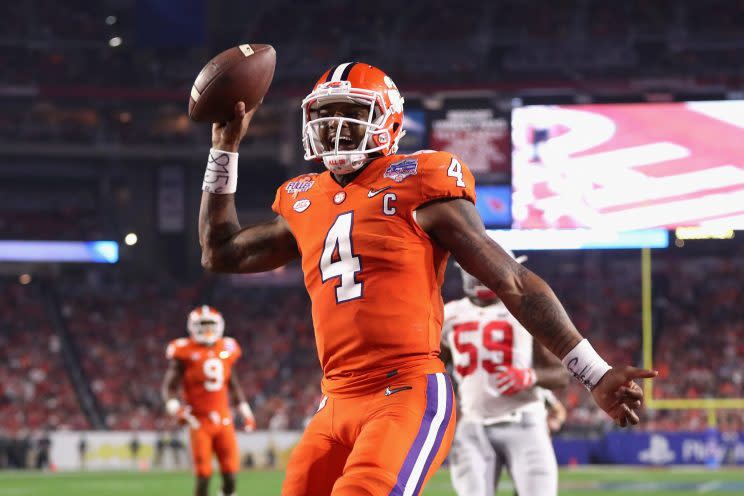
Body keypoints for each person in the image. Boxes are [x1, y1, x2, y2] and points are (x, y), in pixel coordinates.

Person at [198, 61, 657, 496]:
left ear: (389, 121)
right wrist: (225, 146)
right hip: (334, 399)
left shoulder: (419, 181)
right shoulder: (303, 198)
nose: (335, 124)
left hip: (406, 393)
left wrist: (594, 372)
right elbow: (219, 253)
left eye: (352, 112)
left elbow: (512, 281)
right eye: (326, 112)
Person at [441, 259, 568, 496]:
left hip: (523, 420)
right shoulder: (449, 314)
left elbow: (561, 374)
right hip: (471, 424)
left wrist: (530, 376)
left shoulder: (525, 311)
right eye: (476, 270)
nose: (482, 277)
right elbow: (435, 370)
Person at [162, 305, 257, 496]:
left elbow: (234, 385)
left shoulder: (228, 348)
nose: (206, 329)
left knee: (230, 475)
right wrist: (175, 409)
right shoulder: (183, 350)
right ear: (192, 326)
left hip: (224, 419)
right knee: (204, 474)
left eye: (210, 324)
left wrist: (247, 413)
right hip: (199, 420)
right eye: (202, 324)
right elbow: (169, 387)